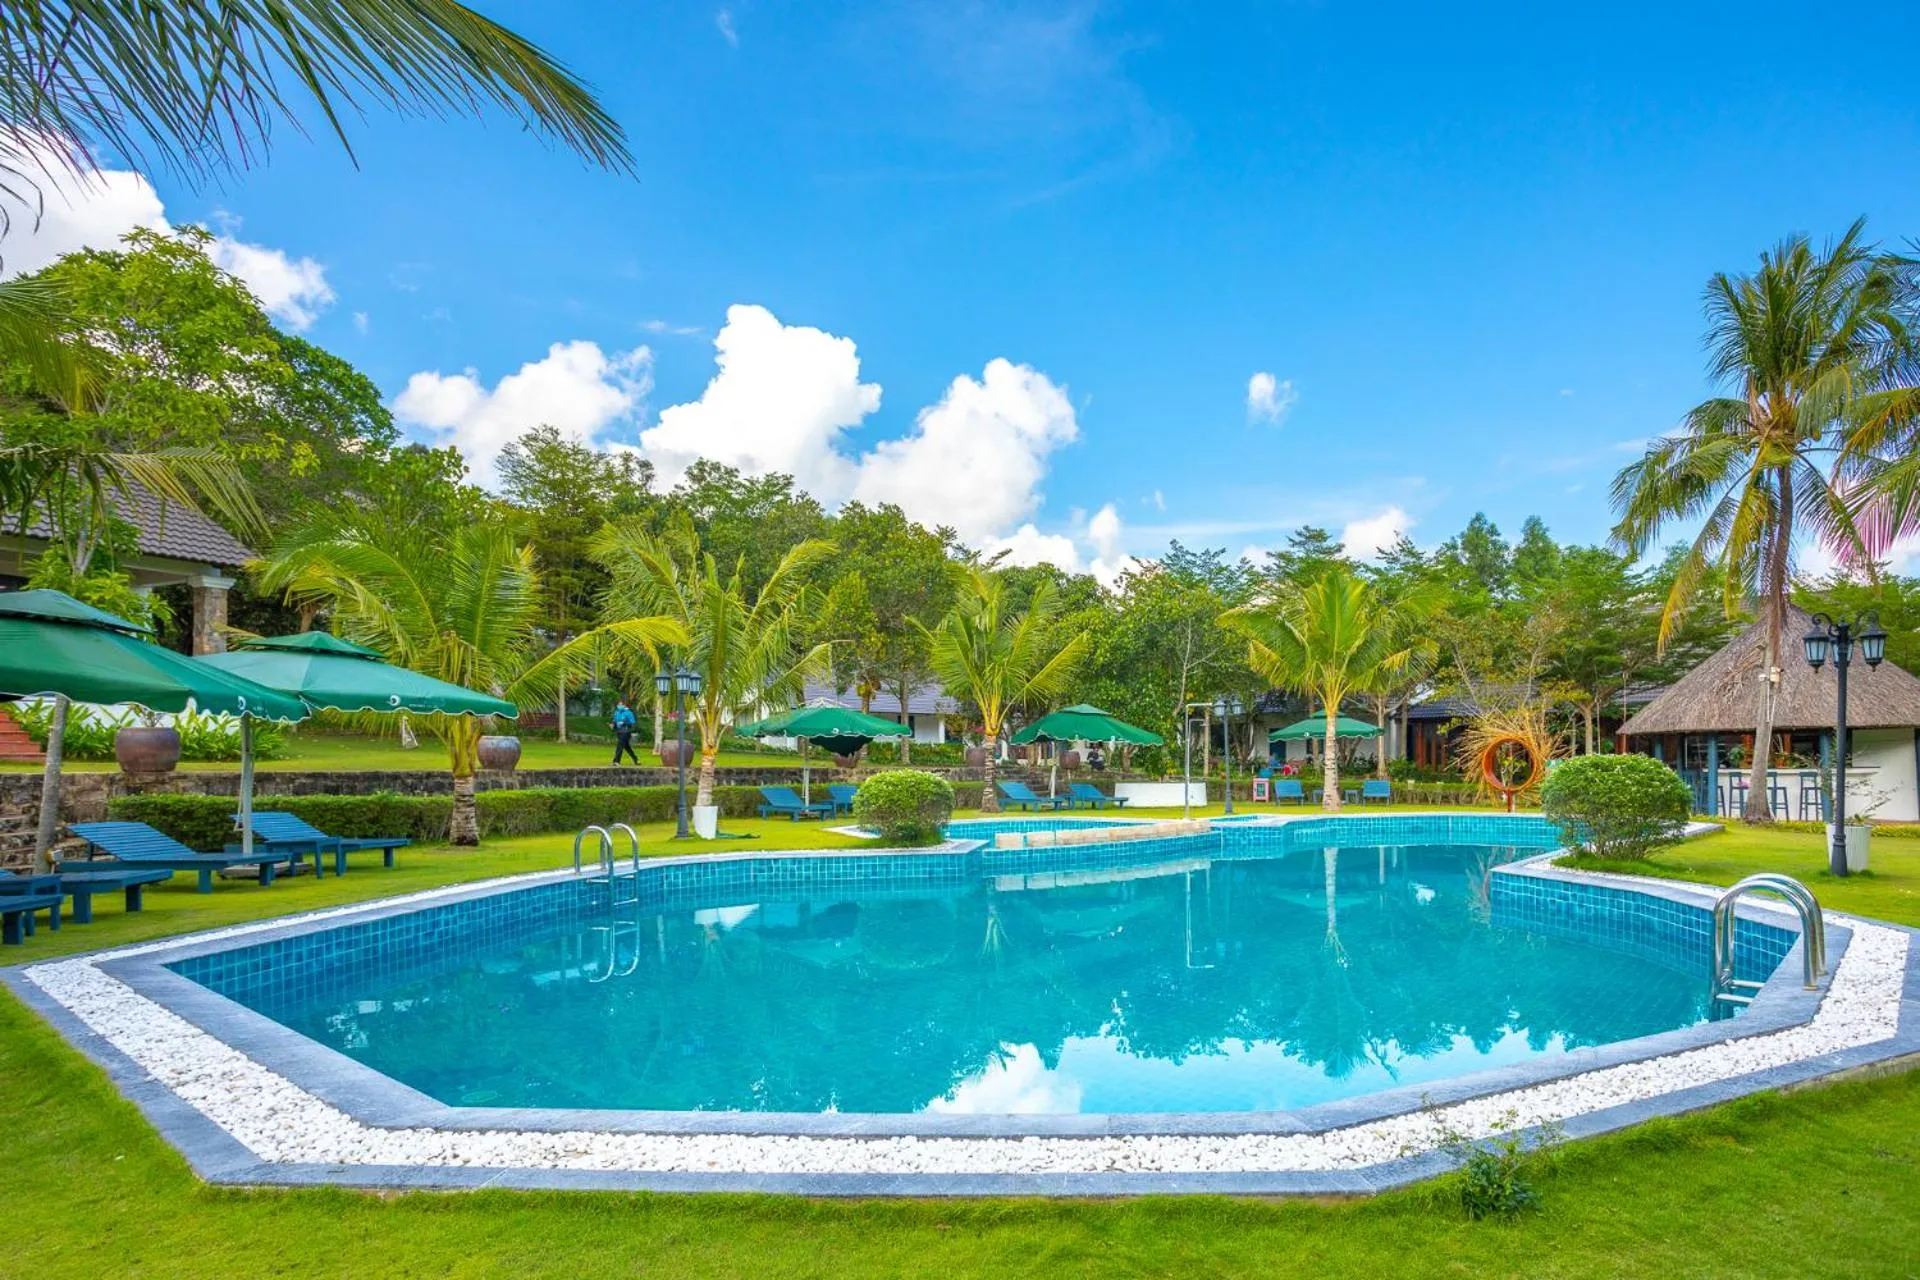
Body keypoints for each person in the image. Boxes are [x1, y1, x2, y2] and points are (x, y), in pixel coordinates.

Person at [611, 699, 640, 765]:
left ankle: (616, 761)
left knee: (620, 746)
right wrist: (613, 725)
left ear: (624, 705)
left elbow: (632, 723)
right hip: (619, 732)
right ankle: (636, 759)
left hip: (626, 732)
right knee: (626, 747)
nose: (619, 706)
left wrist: (624, 723)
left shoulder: (629, 713)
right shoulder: (617, 713)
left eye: (621, 704)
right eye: (618, 704)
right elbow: (614, 721)